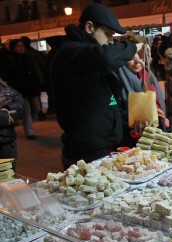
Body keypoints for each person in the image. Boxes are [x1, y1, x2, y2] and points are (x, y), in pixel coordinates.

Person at [48, 3, 142, 169]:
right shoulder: (70, 51)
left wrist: (131, 121)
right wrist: (132, 47)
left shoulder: (90, 58)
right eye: (108, 35)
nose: (111, 41)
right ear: (89, 27)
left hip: (106, 148)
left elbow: (110, 100)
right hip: (85, 154)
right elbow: (105, 58)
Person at [7, 39, 41, 140]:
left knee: (36, 108)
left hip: (32, 88)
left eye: (22, 45)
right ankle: (29, 132)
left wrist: (38, 83)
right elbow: (10, 76)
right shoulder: (11, 60)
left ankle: (25, 122)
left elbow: (35, 72)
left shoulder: (28, 58)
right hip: (20, 89)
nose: (21, 48)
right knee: (27, 111)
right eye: (18, 46)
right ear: (14, 48)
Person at [20, 36, 47, 120]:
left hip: (30, 78)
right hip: (36, 78)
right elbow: (42, 65)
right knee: (36, 96)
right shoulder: (35, 53)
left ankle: (34, 114)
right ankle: (38, 113)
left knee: (29, 98)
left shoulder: (23, 54)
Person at [0, 78, 24, 170]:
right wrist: (4, 116)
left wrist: (6, 108)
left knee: (8, 180)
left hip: (6, 144)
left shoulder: (2, 85)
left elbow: (19, 103)